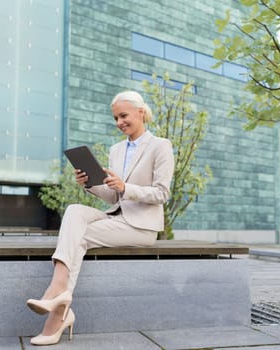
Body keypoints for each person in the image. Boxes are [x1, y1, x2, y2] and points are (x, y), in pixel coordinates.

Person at [26, 90, 175, 346]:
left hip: (141, 227)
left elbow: (162, 194)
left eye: (123, 115)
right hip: (116, 217)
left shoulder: (161, 146)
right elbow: (113, 198)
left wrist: (125, 187)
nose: (119, 122)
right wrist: (90, 184)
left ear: (141, 112)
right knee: (74, 209)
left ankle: (57, 306)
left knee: (78, 238)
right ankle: (59, 297)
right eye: (116, 118)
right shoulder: (116, 150)